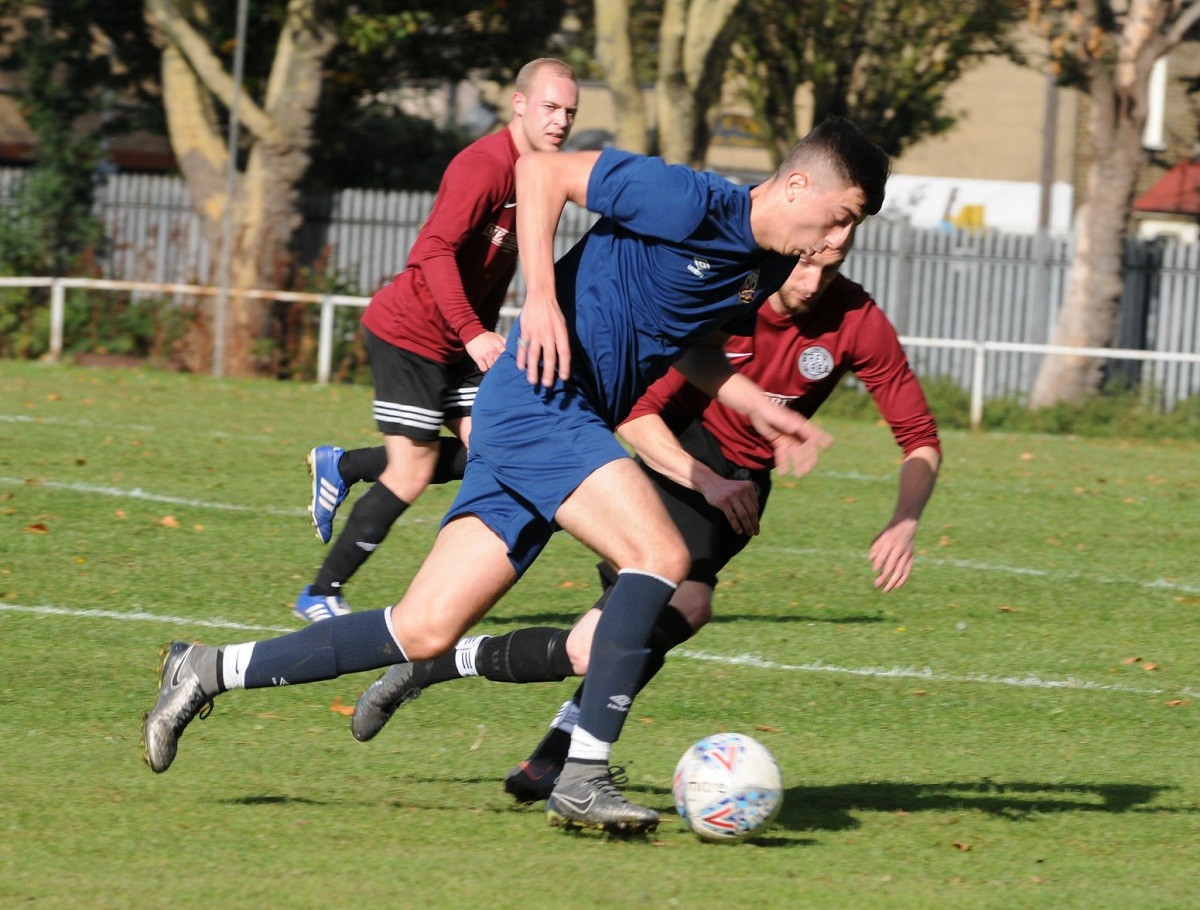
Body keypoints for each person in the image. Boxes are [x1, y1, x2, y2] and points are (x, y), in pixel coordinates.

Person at [142, 117, 890, 836]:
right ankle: (582, 776)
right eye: (840, 217)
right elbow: (542, 172)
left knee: (425, 626)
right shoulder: (689, 198)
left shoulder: (758, 270)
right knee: (659, 556)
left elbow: (684, 343)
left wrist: (754, 401)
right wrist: (538, 298)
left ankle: (207, 669)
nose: (839, 241)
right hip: (542, 400)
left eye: (853, 229)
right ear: (795, 185)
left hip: (551, 417)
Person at [347, 242, 942, 805]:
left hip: (740, 494)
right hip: (676, 462)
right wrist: (704, 479)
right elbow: (635, 414)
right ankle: (544, 746)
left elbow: (920, 440)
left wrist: (904, 521)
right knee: (658, 618)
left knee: (622, 637)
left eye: (829, 270)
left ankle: (531, 742)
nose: (811, 284)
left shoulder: (857, 318)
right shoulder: (735, 296)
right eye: (804, 266)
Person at [294, 57, 580, 622]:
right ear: (518, 104)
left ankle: (346, 466)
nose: (560, 121)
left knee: (495, 451)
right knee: (412, 470)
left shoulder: (547, 175)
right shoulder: (484, 165)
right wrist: (474, 332)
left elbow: (514, 266)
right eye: (550, 106)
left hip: (464, 341)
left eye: (570, 111)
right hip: (414, 333)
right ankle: (320, 593)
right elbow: (431, 251)